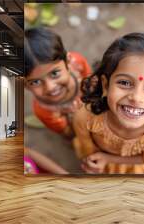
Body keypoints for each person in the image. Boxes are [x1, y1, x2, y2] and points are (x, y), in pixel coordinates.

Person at [72, 33, 144, 174]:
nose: (136, 97)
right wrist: (93, 162)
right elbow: (87, 149)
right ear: (106, 86)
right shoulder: (85, 118)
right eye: (124, 82)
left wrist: (107, 158)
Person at [24, 27, 92, 174]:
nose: (49, 87)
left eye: (54, 73)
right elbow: (67, 132)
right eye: (35, 82)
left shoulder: (77, 62)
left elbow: (90, 79)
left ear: (68, 62)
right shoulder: (44, 110)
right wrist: (76, 120)